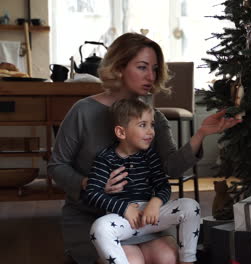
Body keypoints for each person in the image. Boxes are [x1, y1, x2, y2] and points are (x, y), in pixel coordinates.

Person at [48, 32, 241, 264]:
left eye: (155, 69)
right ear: (119, 67)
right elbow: (56, 166)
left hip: (140, 219)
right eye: (142, 67)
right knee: (131, 259)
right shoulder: (83, 111)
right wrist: (89, 184)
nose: (151, 76)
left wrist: (201, 134)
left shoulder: (155, 119)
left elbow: (172, 168)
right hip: (91, 218)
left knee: (168, 257)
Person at [87, 98, 199, 264]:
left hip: (150, 217)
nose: (151, 131)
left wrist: (155, 202)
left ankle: (188, 260)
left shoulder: (150, 156)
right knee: (99, 229)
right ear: (121, 133)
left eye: (152, 125)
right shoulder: (105, 158)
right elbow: (92, 194)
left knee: (191, 206)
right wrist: (125, 209)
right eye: (142, 125)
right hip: (123, 221)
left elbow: (163, 186)